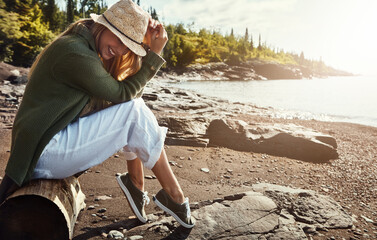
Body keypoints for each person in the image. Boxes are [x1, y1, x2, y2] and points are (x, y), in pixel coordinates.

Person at [0, 0, 194, 228]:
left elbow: (123, 97)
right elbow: (124, 94)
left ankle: (136, 183)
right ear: (105, 26)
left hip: (46, 144)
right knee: (133, 111)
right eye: (121, 40)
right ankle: (174, 195)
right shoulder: (76, 52)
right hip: (42, 153)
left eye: (129, 47)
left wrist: (145, 44)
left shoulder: (82, 44)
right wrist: (156, 54)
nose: (120, 51)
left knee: (132, 109)